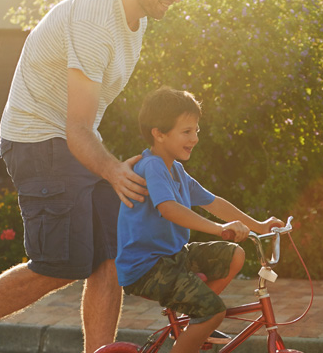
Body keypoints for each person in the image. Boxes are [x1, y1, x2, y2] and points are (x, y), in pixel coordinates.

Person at [0, 0, 191, 353]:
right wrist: (113, 171)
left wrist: (120, 165)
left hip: (67, 140)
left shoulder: (136, 21)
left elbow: (84, 121)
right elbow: (76, 127)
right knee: (61, 262)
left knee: (113, 248)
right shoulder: (96, 20)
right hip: (37, 141)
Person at [116, 88, 282, 353]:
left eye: (196, 131)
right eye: (186, 132)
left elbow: (213, 202)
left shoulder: (176, 169)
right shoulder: (153, 166)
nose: (194, 138)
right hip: (146, 268)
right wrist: (218, 229)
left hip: (172, 257)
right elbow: (169, 209)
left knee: (234, 255)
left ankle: (197, 323)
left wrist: (259, 226)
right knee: (214, 311)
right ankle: (202, 322)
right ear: (159, 133)